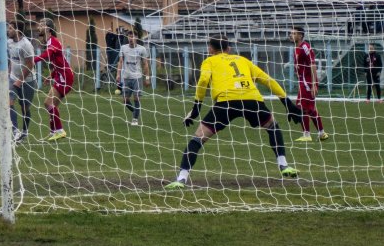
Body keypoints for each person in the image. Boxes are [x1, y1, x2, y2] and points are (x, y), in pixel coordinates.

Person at [165, 35, 302, 189]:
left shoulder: (209, 61)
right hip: (252, 100)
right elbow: (267, 79)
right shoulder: (242, 60)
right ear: (228, 49)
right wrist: (288, 105)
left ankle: (182, 178)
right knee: (272, 127)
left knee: (197, 139)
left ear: (211, 49)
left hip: (226, 102)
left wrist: (197, 107)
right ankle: (283, 165)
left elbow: (203, 80)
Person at [33, 18, 74, 141]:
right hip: (61, 76)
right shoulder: (51, 41)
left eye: (41, 24)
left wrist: (33, 60)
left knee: (48, 103)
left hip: (64, 78)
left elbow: (48, 54)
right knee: (52, 105)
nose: (38, 27)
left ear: (48, 28)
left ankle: (60, 130)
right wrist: (50, 76)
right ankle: (53, 132)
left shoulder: (52, 41)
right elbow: (59, 63)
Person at [289, 26, 329, 142]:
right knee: (310, 108)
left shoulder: (305, 46)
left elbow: (312, 64)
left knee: (302, 107)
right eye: (291, 33)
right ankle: (321, 133)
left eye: (294, 33)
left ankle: (307, 135)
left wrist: (313, 84)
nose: (292, 35)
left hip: (307, 81)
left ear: (300, 35)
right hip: (303, 80)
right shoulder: (296, 48)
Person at [7, 20, 36, 143]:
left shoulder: (26, 45)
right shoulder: (9, 43)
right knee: (9, 103)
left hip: (28, 81)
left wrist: (20, 80)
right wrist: (9, 74)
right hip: (13, 78)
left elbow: (30, 65)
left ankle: (24, 132)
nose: (8, 31)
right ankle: (15, 130)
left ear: (17, 30)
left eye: (11, 28)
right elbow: (11, 60)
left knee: (25, 108)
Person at [116, 30, 150, 126]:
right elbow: (120, 61)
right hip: (126, 77)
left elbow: (145, 64)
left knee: (136, 98)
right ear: (128, 37)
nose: (131, 38)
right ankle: (136, 111)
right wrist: (118, 74)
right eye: (130, 36)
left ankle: (135, 119)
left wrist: (147, 78)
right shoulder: (123, 48)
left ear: (136, 38)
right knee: (126, 101)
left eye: (133, 36)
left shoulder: (142, 49)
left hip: (137, 77)